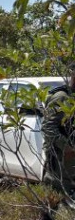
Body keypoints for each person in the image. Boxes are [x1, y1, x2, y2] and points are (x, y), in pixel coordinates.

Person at [42, 65, 75, 196]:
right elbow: (48, 127)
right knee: (54, 196)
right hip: (60, 158)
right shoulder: (62, 97)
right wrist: (67, 148)